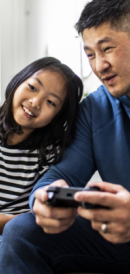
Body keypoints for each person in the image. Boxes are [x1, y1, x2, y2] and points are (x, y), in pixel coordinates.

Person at [0, 0, 130, 274]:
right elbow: (60, 176)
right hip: (115, 244)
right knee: (22, 230)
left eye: (107, 48)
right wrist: (44, 199)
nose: (99, 66)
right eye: (90, 54)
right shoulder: (94, 109)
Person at [0, 56, 83, 239]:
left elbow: (41, 215)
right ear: (18, 81)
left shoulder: (50, 153)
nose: (36, 102)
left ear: (58, 116)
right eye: (32, 87)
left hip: (17, 237)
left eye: (51, 102)